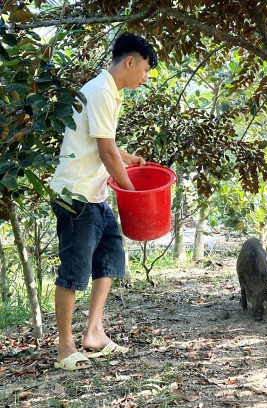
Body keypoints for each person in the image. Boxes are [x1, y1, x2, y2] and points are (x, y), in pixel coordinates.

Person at [49, 33, 158, 371]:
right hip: (76, 196)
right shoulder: (100, 91)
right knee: (73, 272)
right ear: (130, 61)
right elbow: (105, 152)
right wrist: (132, 192)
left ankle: (94, 333)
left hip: (94, 193)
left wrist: (131, 159)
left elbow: (106, 143)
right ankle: (65, 349)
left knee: (110, 255)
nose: (144, 77)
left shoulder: (108, 92)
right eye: (145, 70)